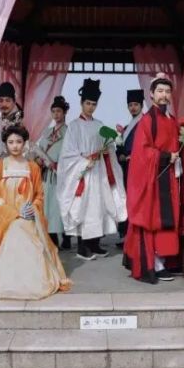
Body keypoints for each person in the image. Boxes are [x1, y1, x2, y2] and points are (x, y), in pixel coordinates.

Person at [0, 124, 71, 300]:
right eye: (11, 142)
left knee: (24, 230)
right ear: (5, 144)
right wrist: (14, 212)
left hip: (28, 214)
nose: (15, 146)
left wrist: (32, 208)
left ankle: (31, 282)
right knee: (11, 231)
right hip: (4, 214)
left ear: (24, 143)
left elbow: (39, 194)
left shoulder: (33, 167)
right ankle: (6, 282)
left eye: (19, 142)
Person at [123, 74, 184, 283]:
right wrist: (166, 156)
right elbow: (141, 152)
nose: (164, 95)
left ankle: (166, 260)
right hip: (155, 179)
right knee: (154, 221)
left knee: (168, 220)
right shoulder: (148, 120)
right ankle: (155, 264)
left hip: (169, 177)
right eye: (160, 91)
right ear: (151, 94)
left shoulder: (172, 120)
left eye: (167, 91)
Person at [57, 79, 127, 260]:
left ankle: (95, 244)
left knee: (99, 207)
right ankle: (83, 247)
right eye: (87, 103)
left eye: (93, 104)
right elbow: (67, 154)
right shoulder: (74, 126)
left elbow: (108, 148)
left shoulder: (99, 125)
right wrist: (83, 161)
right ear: (81, 103)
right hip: (84, 173)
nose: (90, 107)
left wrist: (108, 148)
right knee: (84, 208)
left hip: (99, 173)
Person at [30, 96, 71, 249]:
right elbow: (40, 149)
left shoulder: (69, 131)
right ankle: (52, 238)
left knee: (61, 206)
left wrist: (60, 164)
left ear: (65, 112)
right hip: (47, 174)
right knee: (48, 206)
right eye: (53, 111)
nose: (56, 114)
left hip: (62, 173)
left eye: (59, 111)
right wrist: (39, 160)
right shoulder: (47, 132)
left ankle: (66, 237)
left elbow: (71, 152)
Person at [115, 89, 145, 241]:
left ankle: (137, 234)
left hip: (140, 168)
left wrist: (135, 156)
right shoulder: (127, 128)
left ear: (141, 105)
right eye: (130, 105)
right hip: (126, 168)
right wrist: (120, 154)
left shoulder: (146, 123)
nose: (133, 107)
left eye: (136, 104)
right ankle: (126, 233)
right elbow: (121, 147)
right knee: (126, 199)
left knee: (138, 199)